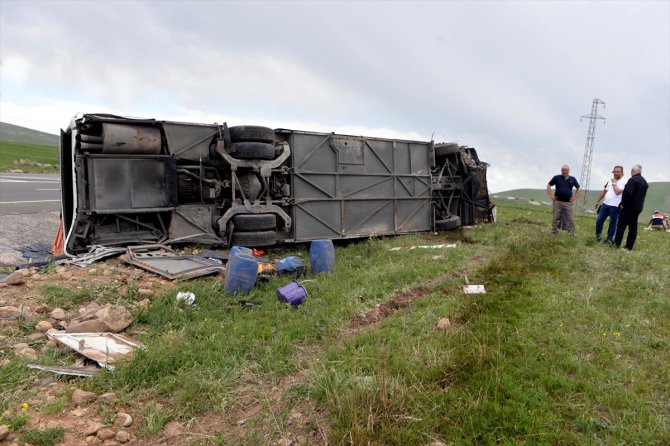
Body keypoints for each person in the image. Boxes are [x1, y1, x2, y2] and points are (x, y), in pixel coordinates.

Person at [613, 164, 648, 250]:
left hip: (628, 207)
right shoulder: (644, 182)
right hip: (638, 208)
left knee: (621, 226)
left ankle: (616, 244)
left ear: (633, 171)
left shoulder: (632, 180)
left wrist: (623, 204)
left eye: (631, 171)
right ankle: (629, 246)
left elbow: (627, 193)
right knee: (633, 227)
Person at [594, 165, 627, 243]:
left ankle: (609, 239)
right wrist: (598, 201)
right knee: (599, 221)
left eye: (618, 172)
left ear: (622, 173)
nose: (615, 173)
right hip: (605, 204)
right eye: (614, 172)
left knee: (612, 224)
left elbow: (618, 192)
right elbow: (604, 191)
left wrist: (614, 183)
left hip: (616, 206)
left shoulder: (625, 182)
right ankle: (598, 236)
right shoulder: (610, 181)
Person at [547, 165, 580, 235]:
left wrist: (575, 197)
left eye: (566, 170)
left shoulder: (573, 179)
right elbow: (548, 185)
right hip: (557, 202)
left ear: (569, 171)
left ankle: (572, 233)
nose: (565, 171)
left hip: (568, 203)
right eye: (563, 170)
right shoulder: (556, 177)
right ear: (561, 170)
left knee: (570, 218)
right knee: (555, 217)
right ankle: (554, 232)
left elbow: (578, 188)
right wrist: (551, 195)